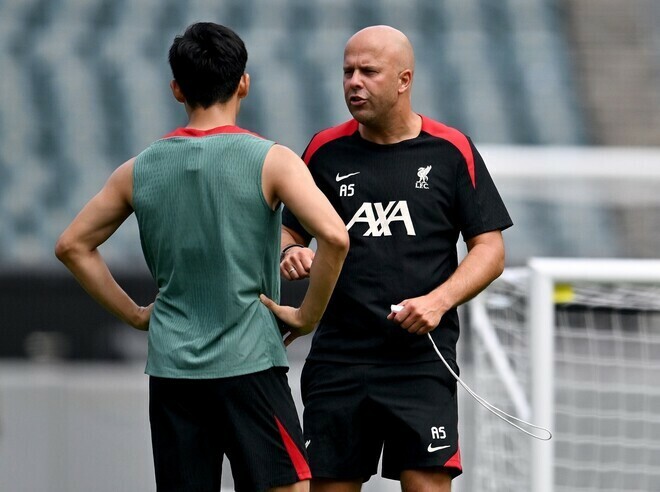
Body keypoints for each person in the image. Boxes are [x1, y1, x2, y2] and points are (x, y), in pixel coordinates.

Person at [55, 22, 349, 492]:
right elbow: (335, 237)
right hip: (250, 361)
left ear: (177, 89)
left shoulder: (139, 168)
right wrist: (306, 316)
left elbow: (72, 246)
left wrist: (134, 315)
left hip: (173, 370)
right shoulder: (271, 159)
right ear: (244, 83)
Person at [275, 25, 512, 492]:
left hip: (420, 361)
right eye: (347, 72)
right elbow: (289, 230)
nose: (353, 83)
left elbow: (490, 250)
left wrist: (438, 302)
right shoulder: (324, 151)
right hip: (339, 357)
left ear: (404, 80)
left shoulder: (451, 150)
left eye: (368, 72)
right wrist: (291, 251)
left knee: (425, 485)